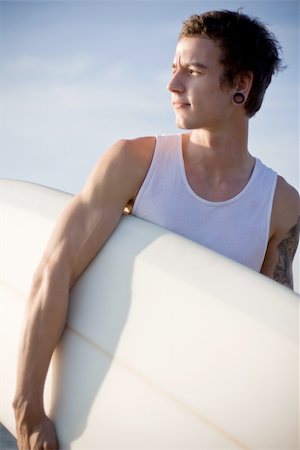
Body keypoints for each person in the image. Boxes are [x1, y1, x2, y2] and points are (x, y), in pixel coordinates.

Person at [13, 10, 299, 450]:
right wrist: (28, 410)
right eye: (173, 70)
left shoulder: (281, 205)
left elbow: (267, 337)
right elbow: (55, 272)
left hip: (196, 414)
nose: (173, 86)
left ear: (240, 85)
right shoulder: (135, 163)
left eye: (194, 71)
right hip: (105, 398)